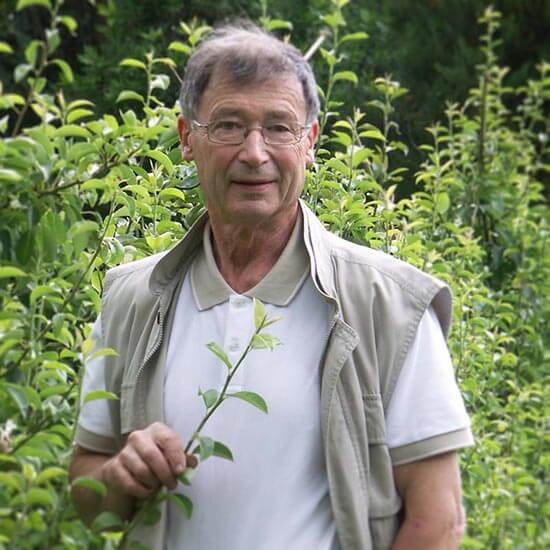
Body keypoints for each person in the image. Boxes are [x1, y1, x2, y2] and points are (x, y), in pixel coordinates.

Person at [69, 21, 474, 550]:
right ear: (187, 137)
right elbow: (86, 488)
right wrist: (118, 476)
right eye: (229, 125)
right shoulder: (131, 299)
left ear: (310, 141)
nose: (255, 152)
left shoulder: (390, 307)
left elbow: (437, 521)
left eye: (279, 127)